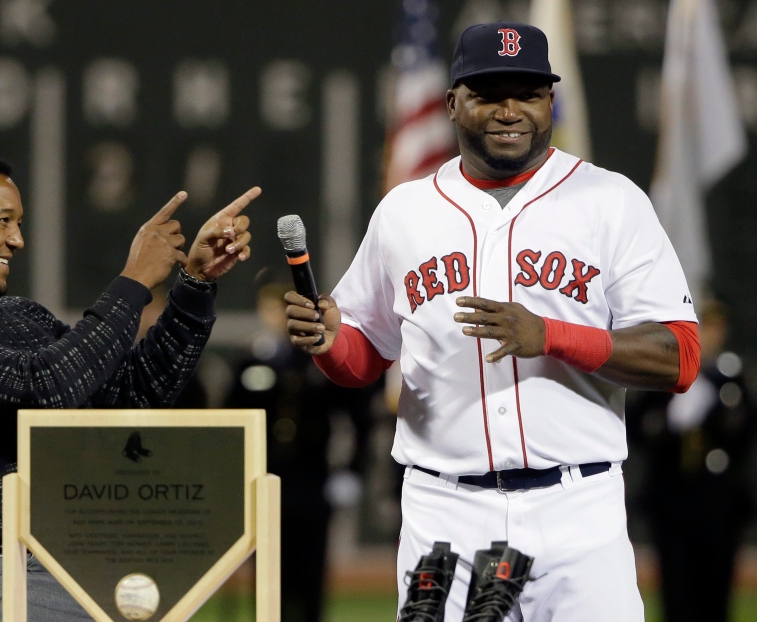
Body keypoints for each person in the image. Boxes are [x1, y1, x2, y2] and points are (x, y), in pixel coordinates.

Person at [283, 22, 700, 621]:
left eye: (527, 92)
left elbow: (680, 357)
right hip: (445, 513)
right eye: (488, 93)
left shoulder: (613, 201)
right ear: (452, 102)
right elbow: (362, 356)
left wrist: (550, 335)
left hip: (578, 510)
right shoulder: (405, 211)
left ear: (550, 101)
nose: (510, 110)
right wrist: (328, 343)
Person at [0, 151, 259, 622]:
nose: (17, 239)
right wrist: (134, 281)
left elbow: (131, 397)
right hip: (17, 579)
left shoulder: (21, 314)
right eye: (3, 221)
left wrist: (195, 284)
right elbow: (43, 392)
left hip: (102, 574)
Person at [224, 283, 376, 622]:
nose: (275, 317)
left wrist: (351, 470)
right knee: (267, 586)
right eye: (270, 308)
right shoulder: (251, 362)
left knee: (310, 584)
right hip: (264, 485)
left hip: (312, 484)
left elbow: (359, 417)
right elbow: (229, 423)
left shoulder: (321, 360)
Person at [627, 300, 757, 622]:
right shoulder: (659, 378)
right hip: (672, 500)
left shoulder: (732, 377)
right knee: (676, 593)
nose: (704, 334)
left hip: (720, 501)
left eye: (711, 326)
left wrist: (714, 410)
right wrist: (670, 418)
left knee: (717, 593)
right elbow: (638, 429)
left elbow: (749, 428)